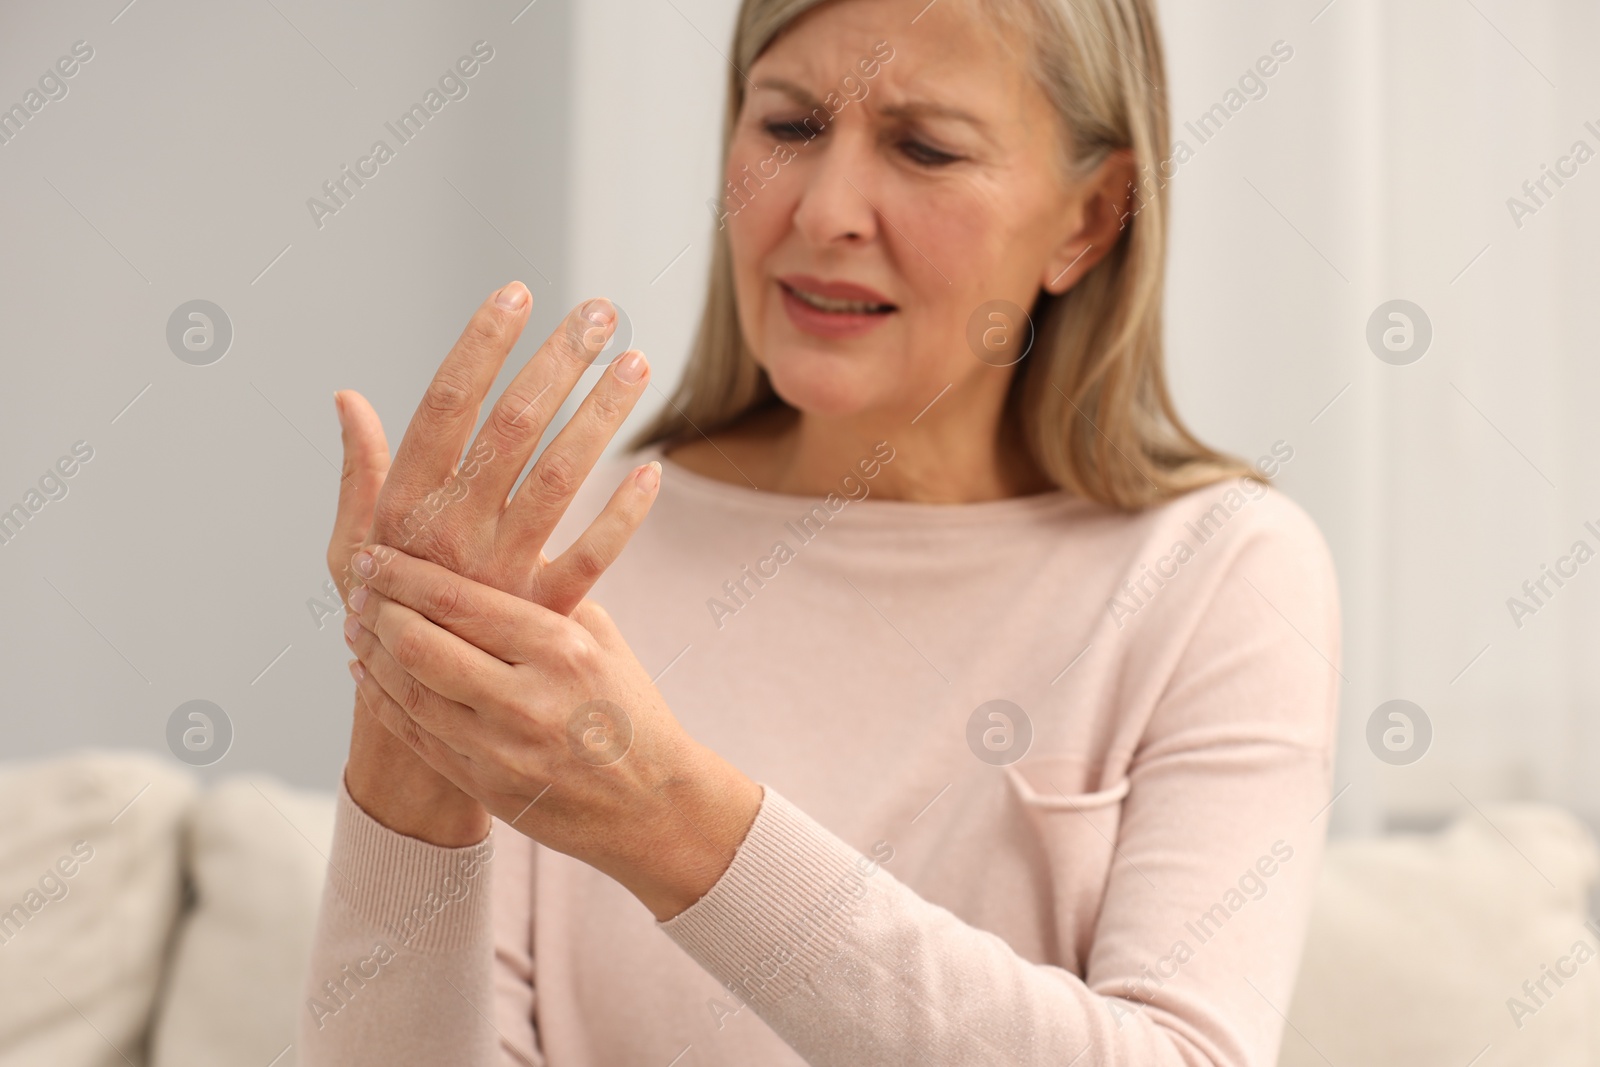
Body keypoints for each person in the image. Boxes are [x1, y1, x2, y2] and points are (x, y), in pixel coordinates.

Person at [299, 0, 1341, 1062]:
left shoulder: (1219, 572)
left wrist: (664, 813)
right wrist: (408, 722)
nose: (825, 209)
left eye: (925, 147)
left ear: (1089, 218)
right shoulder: (559, 545)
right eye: (789, 127)